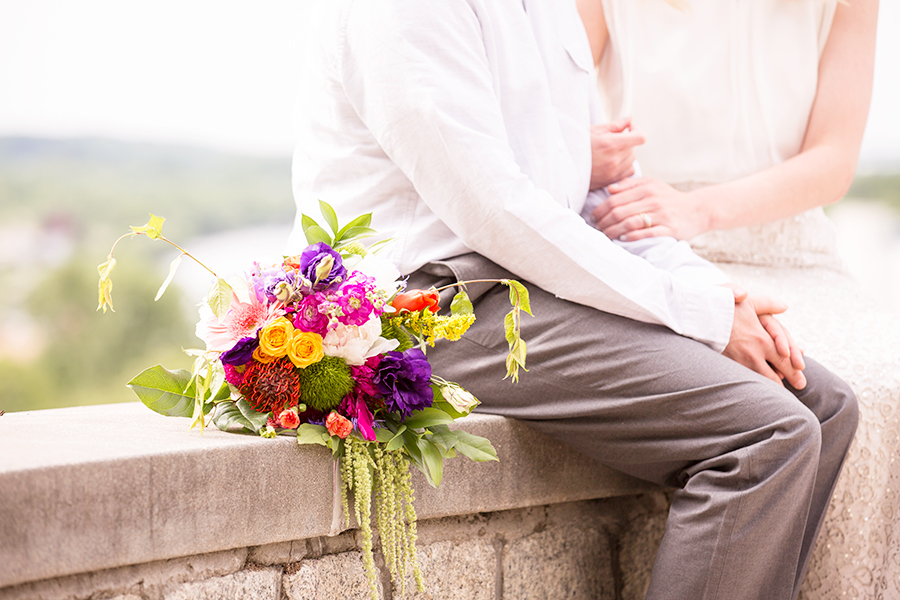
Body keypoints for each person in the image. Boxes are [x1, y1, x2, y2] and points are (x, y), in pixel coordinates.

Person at [286, 1, 858, 598]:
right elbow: (497, 211)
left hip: (534, 284)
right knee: (767, 434)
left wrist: (717, 294)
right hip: (436, 305)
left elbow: (586, 198)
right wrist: (704, 318)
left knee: (822, 403)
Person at [575, 1, 900, 598]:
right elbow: (552, 111)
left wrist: (697, 210)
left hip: (788, 247)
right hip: (644, 240)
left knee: (876, 386)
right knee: (792, 397)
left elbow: (833, 160)